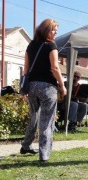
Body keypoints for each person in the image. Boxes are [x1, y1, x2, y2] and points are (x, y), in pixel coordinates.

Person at [20, 19, 67, 162]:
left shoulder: (31, 45)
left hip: (32, 86)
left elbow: (26, 68)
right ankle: (44, 155)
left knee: (34, 117)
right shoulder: (51, 46)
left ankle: (26, 146)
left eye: (56, 31)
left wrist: (25, 86)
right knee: (46, 121)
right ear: (46, 29)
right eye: (53, 30)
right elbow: (55, 68)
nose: (55, 33)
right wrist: (62, 85)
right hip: (47, 87)